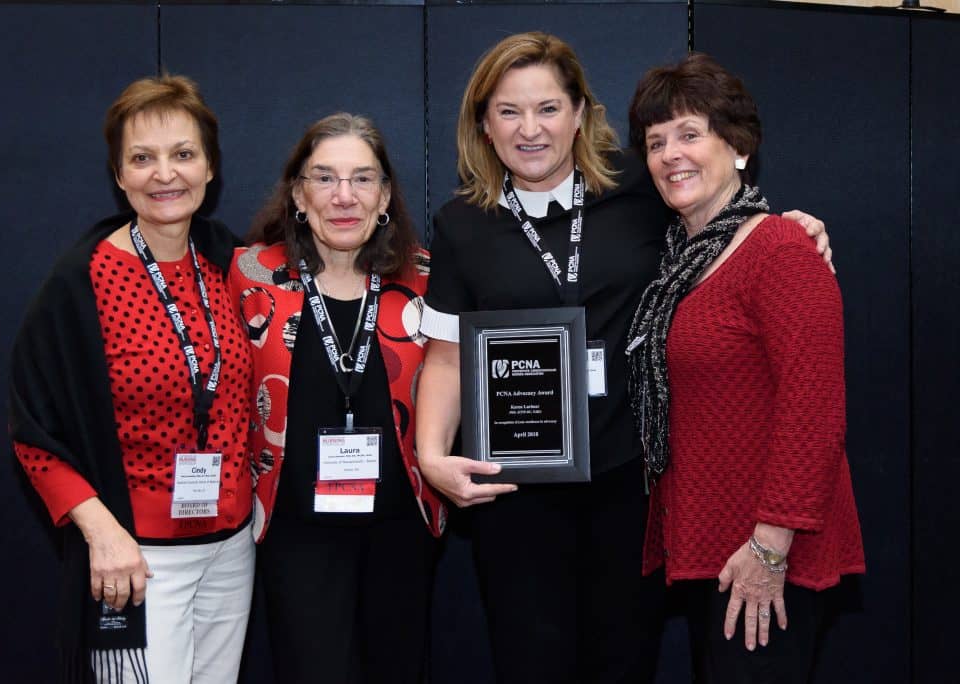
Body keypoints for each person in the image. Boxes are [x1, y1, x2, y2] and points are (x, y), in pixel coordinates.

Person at [414, 32, 832, 684]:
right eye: (509, 111)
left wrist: (795, 228)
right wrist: (431, 454)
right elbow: (444, 357)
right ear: (483, 125)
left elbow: (724, 230)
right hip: (515, 498)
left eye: (549, 108)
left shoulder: (641, 187)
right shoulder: (462, 223)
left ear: (581, 113)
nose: (531, 129)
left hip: (633, 489)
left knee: (625, 664)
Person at [626, 53, 865, 683]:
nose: (671, 154)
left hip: (766, 556)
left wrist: (770, 546)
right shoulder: (681, 264)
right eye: (656, 142)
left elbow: (814, 413)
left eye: (689, 134)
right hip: (712, 547)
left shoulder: (781, 248)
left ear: (737, 146)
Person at [9, 75, 254, 683]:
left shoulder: (231, 262)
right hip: (137, 560)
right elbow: (32, 431)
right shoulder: (81, 283)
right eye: (142, 159)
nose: (165, 174)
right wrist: (102, 533)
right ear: (119, 175)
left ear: (210, 167)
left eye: (183, 154)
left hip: (232, 550)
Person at [230, 112, 446, 684]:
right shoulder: (251, 275)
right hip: (295, 530)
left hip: (401, 527)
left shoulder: (426, 277)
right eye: (324, 178)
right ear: (298, 194)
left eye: (362, 178)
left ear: (385, 196)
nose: (343, 196)